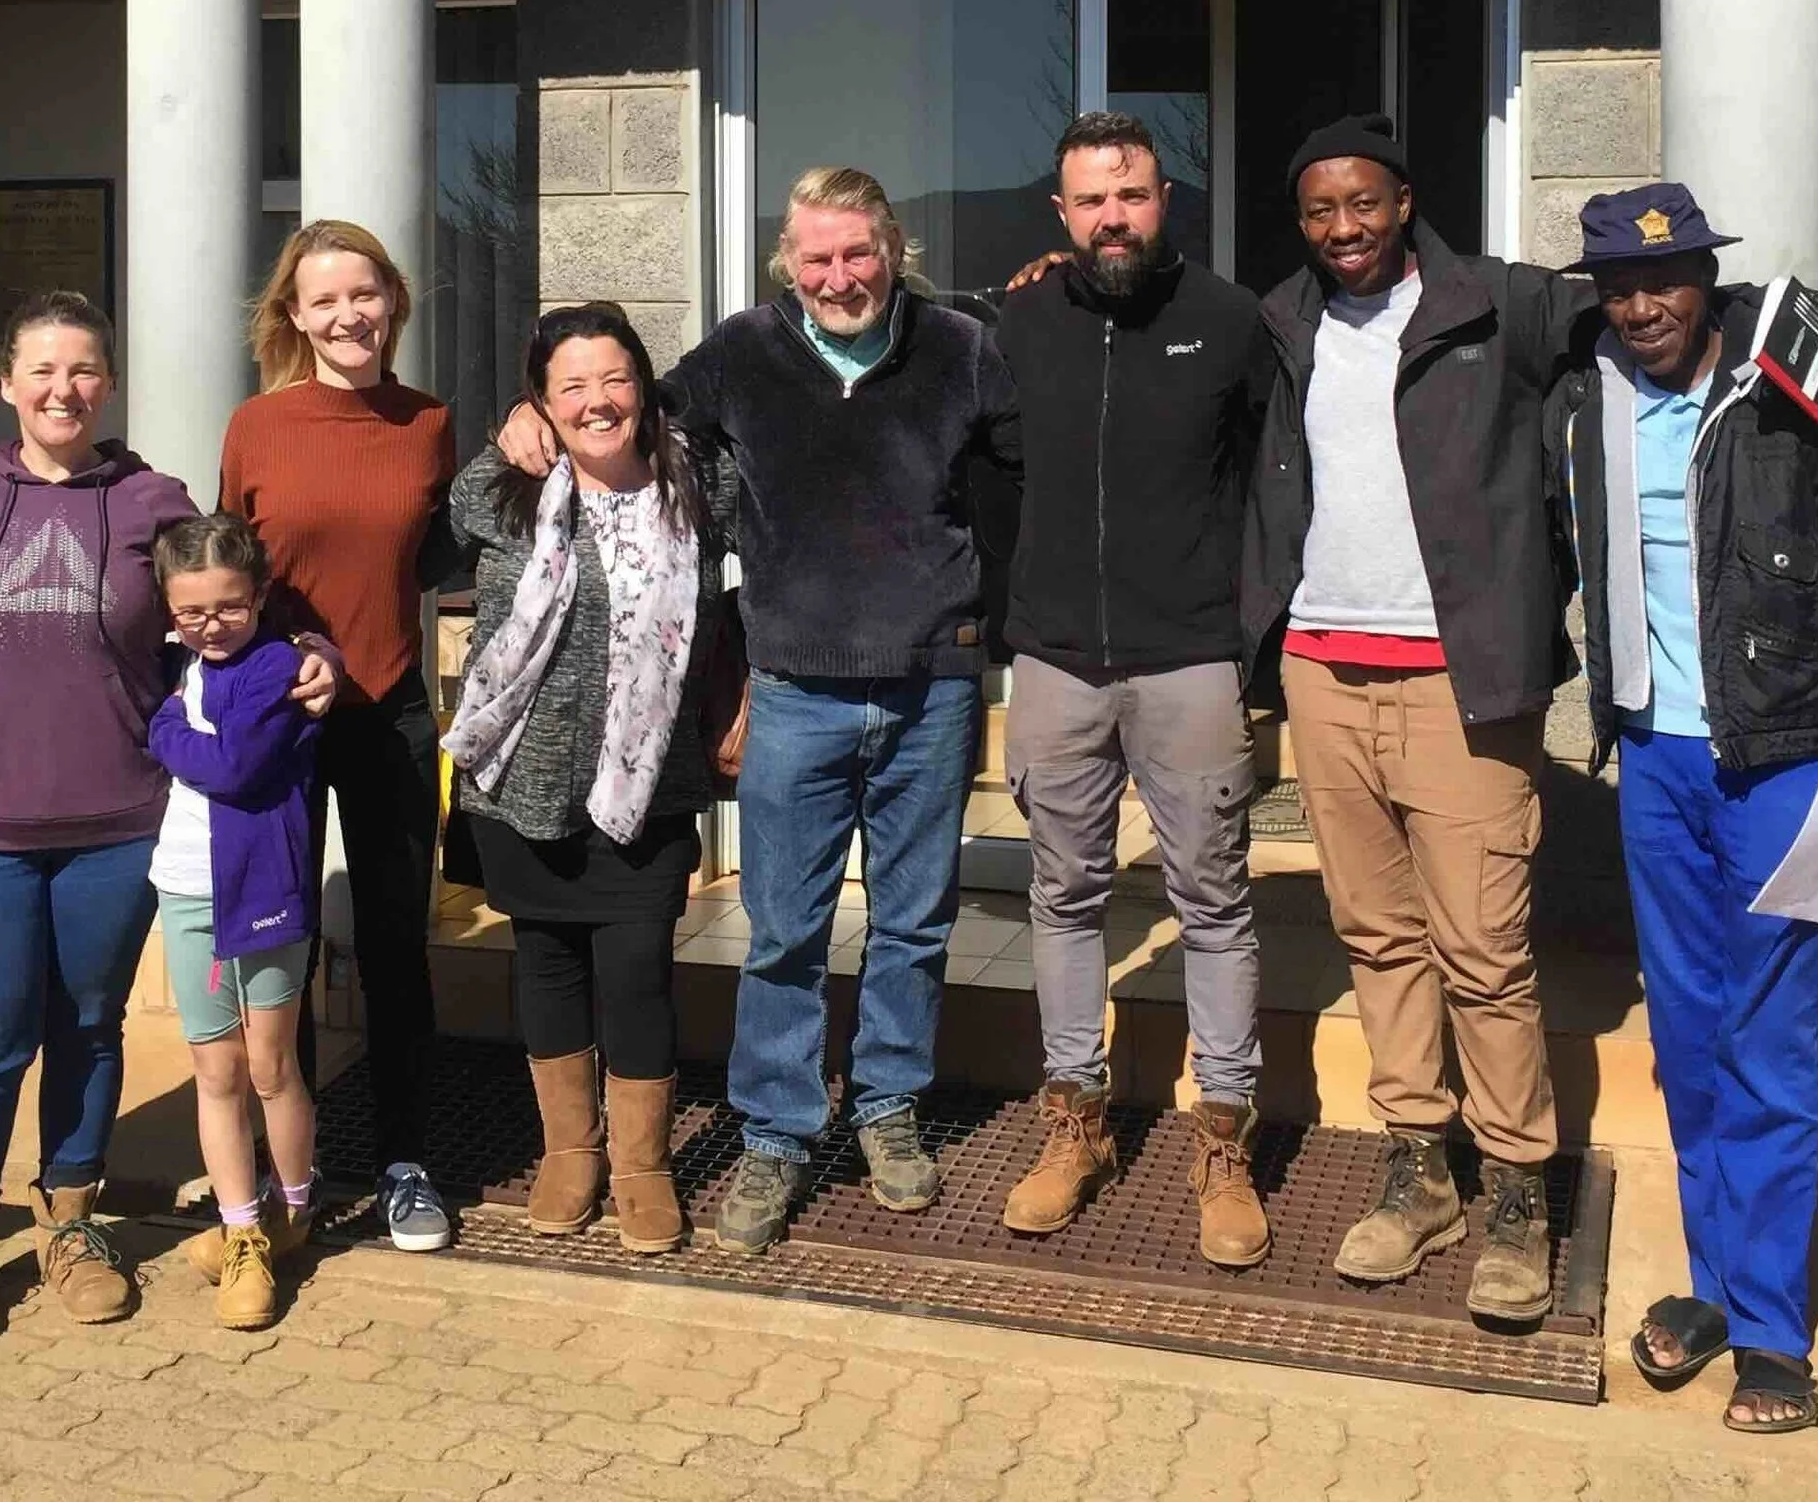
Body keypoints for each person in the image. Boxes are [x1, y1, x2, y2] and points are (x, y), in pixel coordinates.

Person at [1241, 116, 1818, 1324]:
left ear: (1404, 200)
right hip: (1323, 667)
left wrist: (1793, 319)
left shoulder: (1501, 304)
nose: (1342, 228)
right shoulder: (1284, 322)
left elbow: (1650, 302)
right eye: (1319, 211)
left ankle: (1517, 1186)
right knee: (1376, 936)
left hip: (1461, 677)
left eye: (1362, 203)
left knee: (1482, 948)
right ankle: (1419, 1171)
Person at [500, 167, 1022, 1255]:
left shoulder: (963, 350)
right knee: (785, 929)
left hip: (931, 683)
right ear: (789, 262)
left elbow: (1032, 475)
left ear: (894, 249)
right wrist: (527, 410)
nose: (839, 276)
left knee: (914, 922)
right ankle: (777, 1133)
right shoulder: (743, 351)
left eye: (858, 252)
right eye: (817, 258)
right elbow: (622, 412)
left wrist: (991, 618)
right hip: (793, 689)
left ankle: (887, 1106)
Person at [1548, 184, 1818, 1433]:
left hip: (1789, 758)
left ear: (1707, 282)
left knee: (1769, 1046)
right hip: (1656, 761)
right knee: (1688, 1040)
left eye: (1666, 281)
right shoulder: (1585, 392)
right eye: (1618, 287)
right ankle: (1713, 1286)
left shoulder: (1791, 388)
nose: (1642, 307)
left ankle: (1773, 1336)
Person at [0, 293, 339, 1343]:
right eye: (41, 370)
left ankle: (70, 1222)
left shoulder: (153, 501)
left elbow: (246, 599)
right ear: (5, 381)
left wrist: (314, 650)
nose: (63, 389)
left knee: (88, 1029)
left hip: (114, 820)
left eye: (84, 370)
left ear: (108, 383)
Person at [988, 113, 1273, 1262]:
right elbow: (979, 461)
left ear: (1166, 199)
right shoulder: (1017, 322)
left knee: (1213, 903)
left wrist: (1252, 635)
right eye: (1092, 200)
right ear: (1061, 213)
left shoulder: (1230, 322)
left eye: (1133, 195)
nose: (1114, 217)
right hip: (1055, 659)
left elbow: (1275, 481)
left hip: (1191, 657)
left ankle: (1223, 1138)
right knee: (1063, 897)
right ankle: (1076, 1122)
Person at [447, 303, 734, 1257]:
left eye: (614, 379)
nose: (597, 401)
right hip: (521, 779)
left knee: (639, 969)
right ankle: (571, 1149)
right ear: (540, 400)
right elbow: (435, 528)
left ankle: (644, 1164)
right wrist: (507, 429)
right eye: (570, 385)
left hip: (650, 784)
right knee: (546, 961)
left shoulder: (701, 482)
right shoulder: (500, 487)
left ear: (644, 386)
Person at [223, 219, 458, 1252]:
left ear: (392, 299)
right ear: (295, 315)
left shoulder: (429, 422)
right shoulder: (256, 427)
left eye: (363, 294)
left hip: (392, 711)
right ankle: (296, 1169)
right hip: (284, 717)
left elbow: (446, 551)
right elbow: (232, 576)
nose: (347, 315)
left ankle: (407, 1160)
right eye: (324, 300)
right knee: (287, 944)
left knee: (399, 946)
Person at [147, 513, 328, 1328]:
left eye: (229, 606)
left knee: (269, 1065)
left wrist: (164, 727)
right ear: (169, 607)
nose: (211, 625)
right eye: (191, 611)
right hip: (187, 886)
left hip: (265, 888)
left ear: (259, 597)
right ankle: (241, 1228)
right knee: (214, 1069)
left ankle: (293, 1209)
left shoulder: (278, 666)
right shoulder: (179, 660)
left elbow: (234, 765)